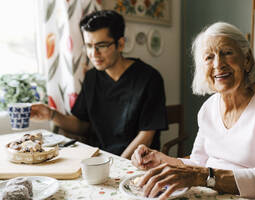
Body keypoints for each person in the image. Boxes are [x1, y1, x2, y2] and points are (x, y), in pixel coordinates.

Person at [131, 22, 255, 200]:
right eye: (209, 57)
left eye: (227, 52)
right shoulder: (208, 108)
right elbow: (198, 163)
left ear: (247, 59)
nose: (218, 64)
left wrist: (201, 176)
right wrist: (162, 160)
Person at [30, 10, 168, 158]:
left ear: (120, 44)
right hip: (99, 160)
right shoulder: (91, 77)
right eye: (88, 46)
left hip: (137, 163)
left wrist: (117, 165)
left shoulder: (149, 78)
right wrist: (51, 114)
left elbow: (146, 136)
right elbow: (81, 125)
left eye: (101, 45)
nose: (93, 54)